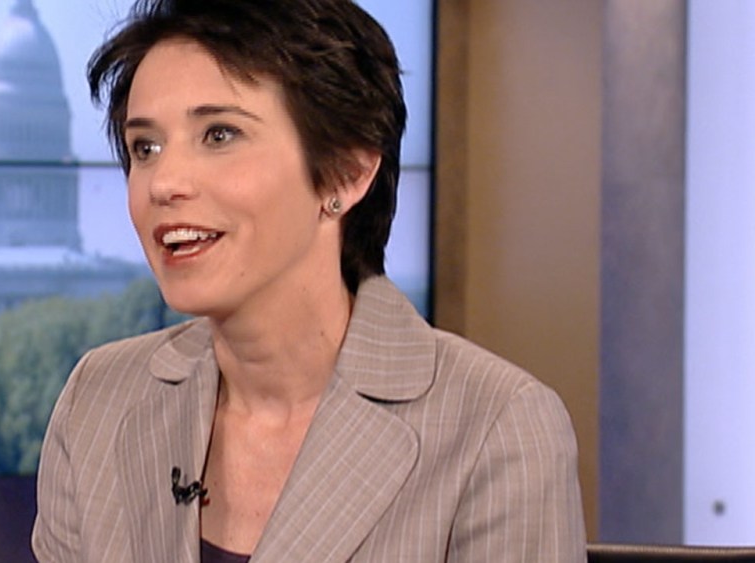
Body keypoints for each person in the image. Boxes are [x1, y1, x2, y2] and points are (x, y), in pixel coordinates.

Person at [32, 0, 586, 561]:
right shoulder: (98, 402)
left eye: (219, 135)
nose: (163, 183)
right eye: (145, 148)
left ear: (346, 172)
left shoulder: (496, 430)